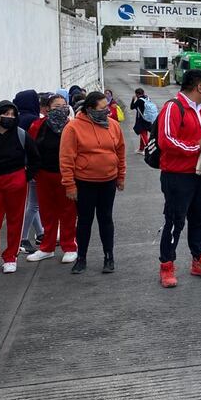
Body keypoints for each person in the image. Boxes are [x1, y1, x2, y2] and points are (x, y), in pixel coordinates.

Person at [156, 70, 201, 288]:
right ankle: (167, 266)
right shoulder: (173, 107)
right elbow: (166, 140)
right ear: (199, 86)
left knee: (199, 218)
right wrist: (196, 147)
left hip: (200, 174)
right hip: (177, 176)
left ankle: (198, 261)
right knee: (174, 221)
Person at [60, 92, 126, 274]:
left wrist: (121, 176)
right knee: (84, 221)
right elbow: (66, 158)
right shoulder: (73, 128)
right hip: (84, 183)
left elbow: (120, 151)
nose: (107, 111)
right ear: (90, 109)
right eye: (102, 108)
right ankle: (81, 258)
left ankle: (109, 257)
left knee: (106, 219)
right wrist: (69, 185)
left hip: (108, 181)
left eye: (107, 106)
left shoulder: (112, 126)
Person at [0, 100, 40, 273]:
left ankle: (10, 257)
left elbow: (35, 158)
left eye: (13, 114)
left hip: (16, 180)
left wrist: (25, 177)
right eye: (5, 113)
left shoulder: (21, 135)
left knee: (15, 220)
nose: (9, 117)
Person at [27, 95, 78, 264]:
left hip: (66, 175)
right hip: (43, 174)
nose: (61, 108)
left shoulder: (72, 125)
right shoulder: (37, 126)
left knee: (68, 211)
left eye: (64, 105)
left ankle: (69, 246)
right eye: (57, 106)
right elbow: (31, 149)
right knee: (46, 212)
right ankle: (46, 247)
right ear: (48, 108)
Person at [14, 90, 44, 255]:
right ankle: (23, 238)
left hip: (22, 165)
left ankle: (40, 233)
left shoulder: (18, 118)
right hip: (32, 165)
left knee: (33, 202)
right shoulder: (33, 119)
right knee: (34, 204)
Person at [130, 88, 152, 153]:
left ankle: (148, 149)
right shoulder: (147, 98)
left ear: (137, 94)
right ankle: (141, 149)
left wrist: (133, 99)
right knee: (144, 133)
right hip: (148, 118)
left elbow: (132, 107)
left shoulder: (139, 100)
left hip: (141, 119)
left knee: (142, 133)